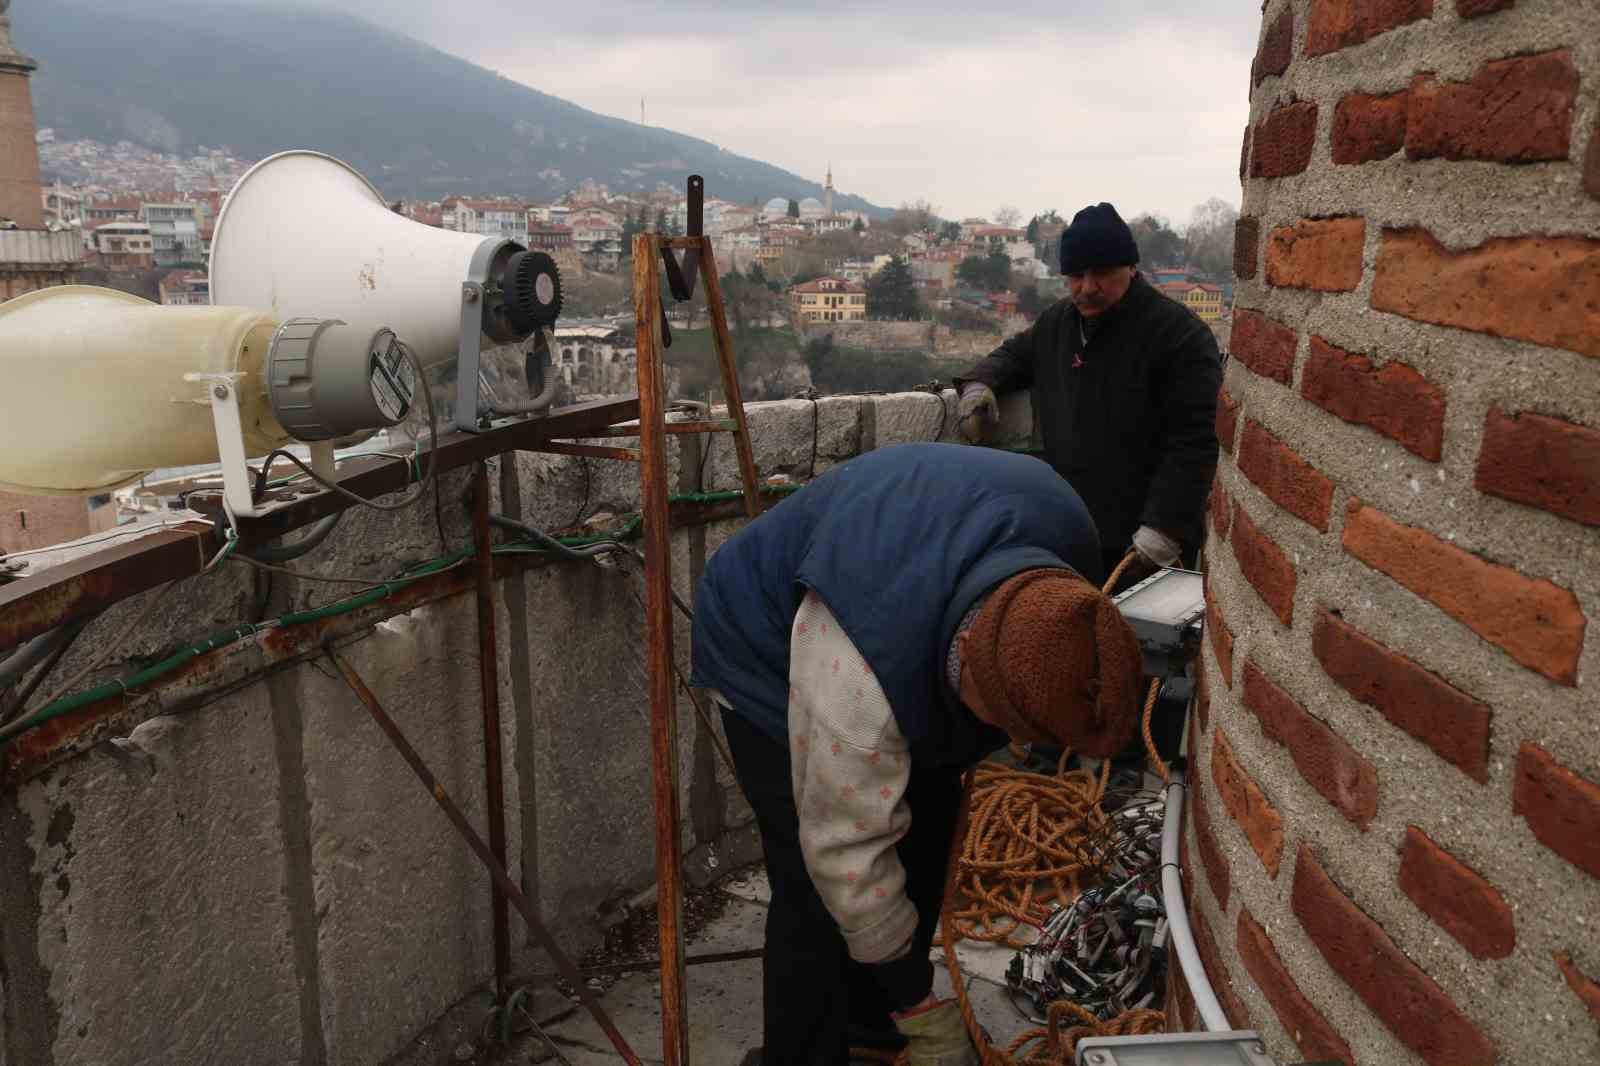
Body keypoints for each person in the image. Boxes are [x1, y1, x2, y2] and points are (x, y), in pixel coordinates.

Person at [691, 443, 1145, 1066]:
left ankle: (872, 1034)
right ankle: (802, 1054)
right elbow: (844, 858)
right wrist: (920, 1005)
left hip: (902, 586)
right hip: (762, 643)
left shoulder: (1068, 560)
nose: (1018, 748)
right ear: (966, 667)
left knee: (926, 829)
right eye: (1013, 730)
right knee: (812, 887)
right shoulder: (859, 680)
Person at [955, 203, 1221, 578]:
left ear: (1130, 268)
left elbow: (1196, 442)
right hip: (1068, 525)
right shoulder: (1059, 323)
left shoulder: (1179, 336)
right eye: (1076, 275)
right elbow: (1014, 356)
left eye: (1102, 273)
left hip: (1143, 543)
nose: (1088, 287)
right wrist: (980, 385)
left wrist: (1165, 528)